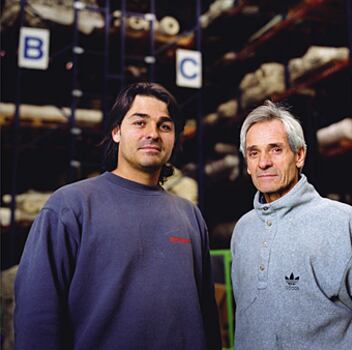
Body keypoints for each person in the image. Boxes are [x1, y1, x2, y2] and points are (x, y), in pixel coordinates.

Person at [14, 82, 221, 350]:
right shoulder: (71, 205)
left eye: (165, 126)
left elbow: (207, 317)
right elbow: (37, 314)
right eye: (139, 122)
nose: (153, 134)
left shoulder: (189, 215)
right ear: (116, 132)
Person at [231, 100, 352, 350]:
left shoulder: (342, 222)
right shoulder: (243, 230)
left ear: (299, 155)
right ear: (247, 163)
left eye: (275, 149)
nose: (263, 162)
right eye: (254, 152)